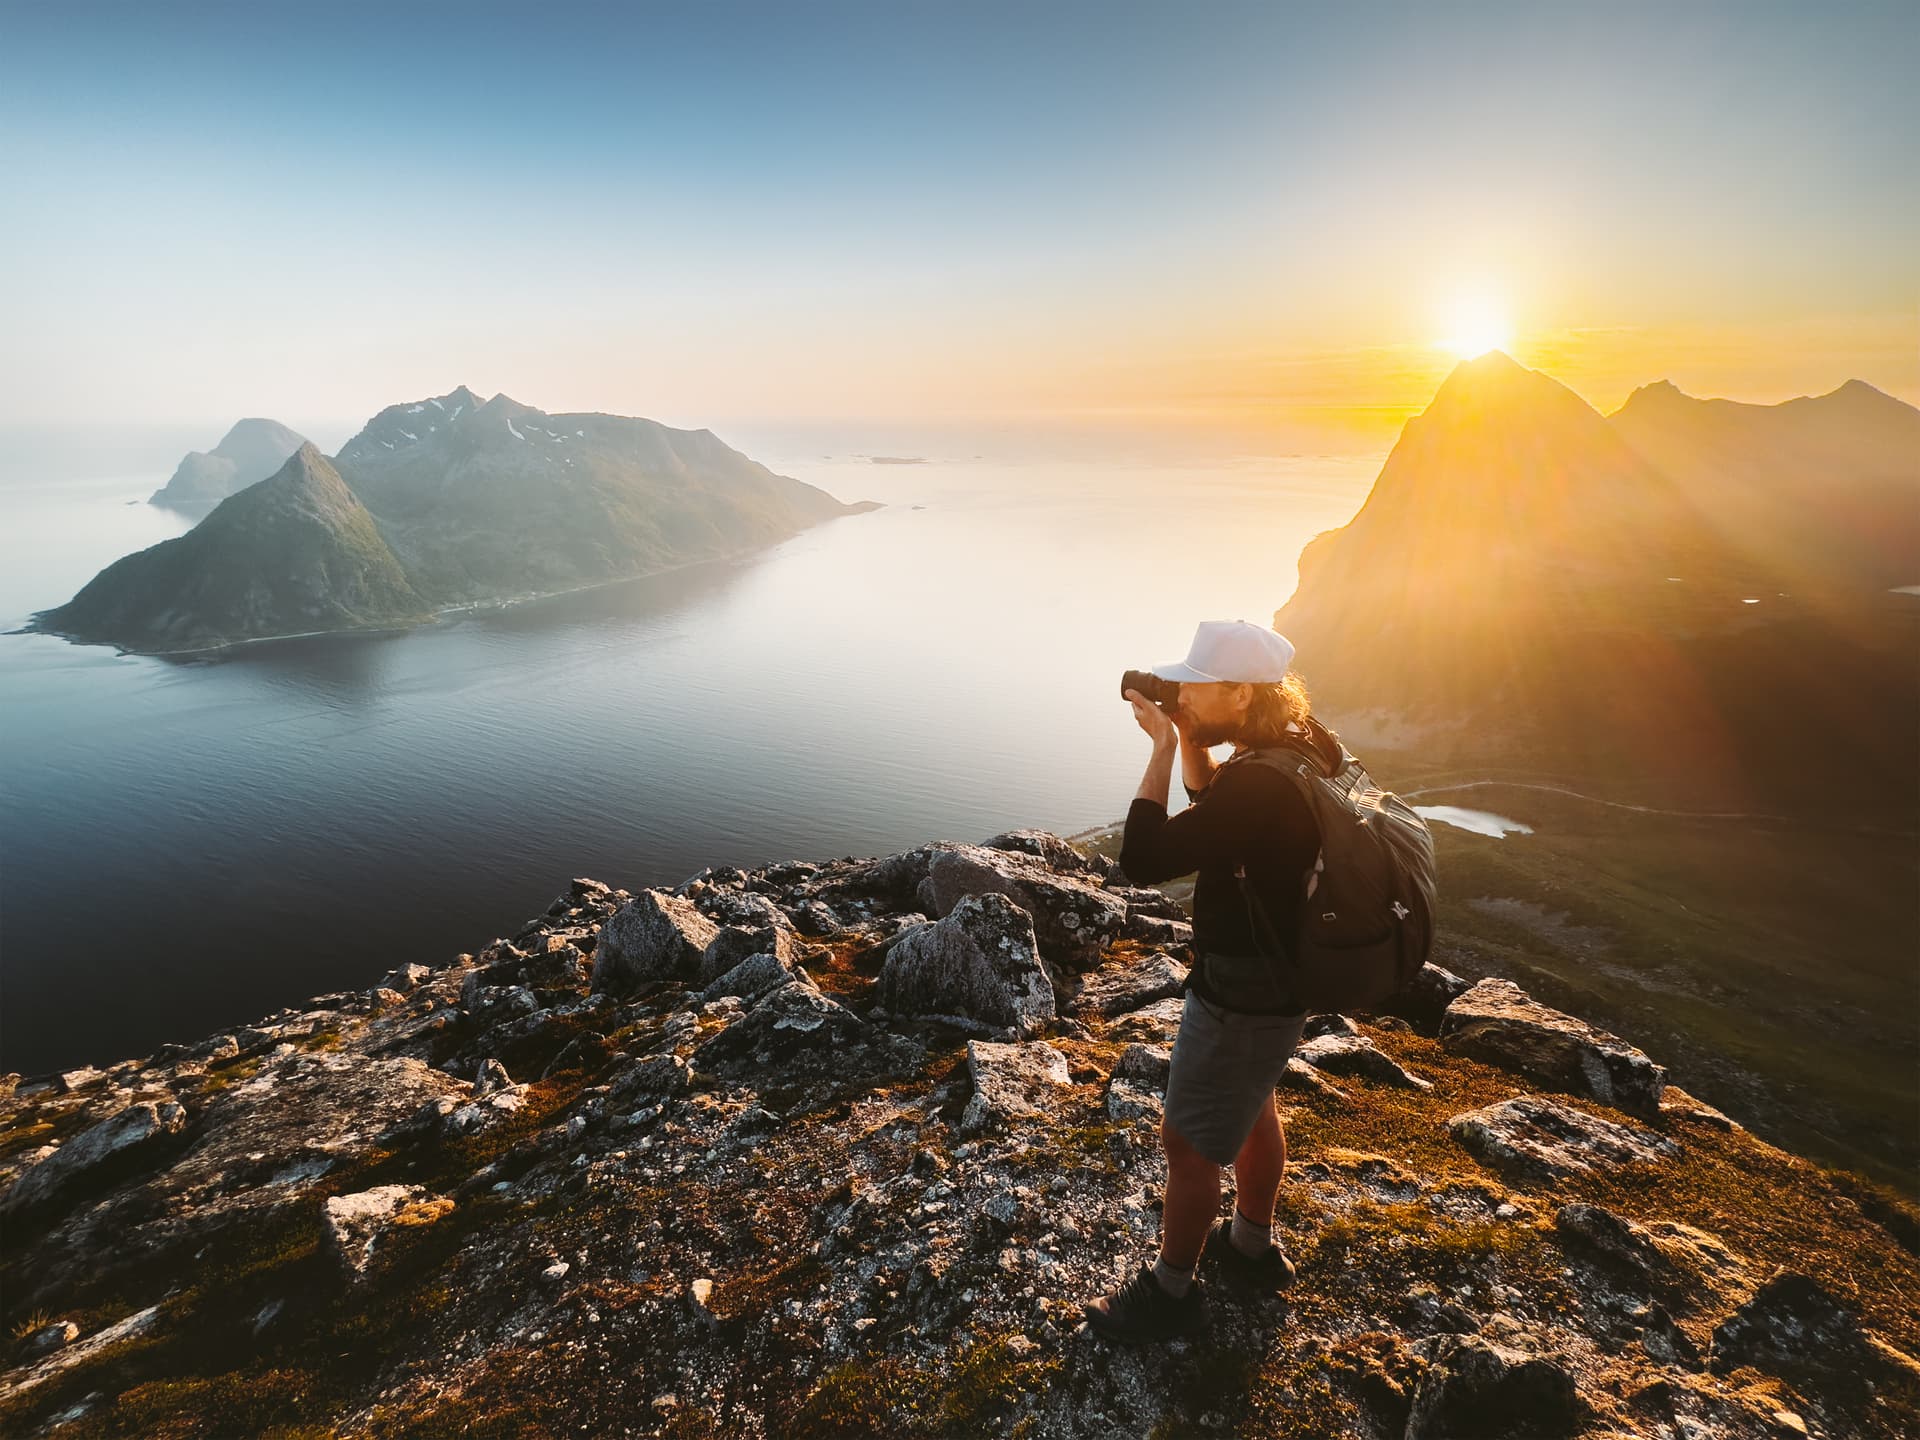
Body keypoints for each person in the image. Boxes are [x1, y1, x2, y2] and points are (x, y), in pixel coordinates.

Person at [1085, 619, 1324, 1343]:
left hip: (1240, 990)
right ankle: (1251, 1245)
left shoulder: (1260, 784)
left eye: (1195, 685)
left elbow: (1145, 858)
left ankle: (1170, 1294)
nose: (1182, 693)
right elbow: (1218, 810)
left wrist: (1160, 743)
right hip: (1283, 982)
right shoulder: (1302, 745)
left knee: (1188, 1143)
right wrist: (1192, 733)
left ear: (1241, 692)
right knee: (1255, 1104)